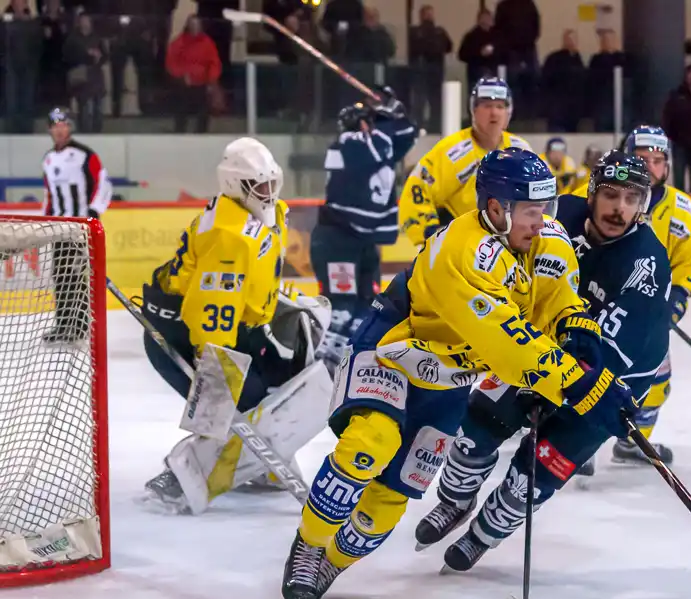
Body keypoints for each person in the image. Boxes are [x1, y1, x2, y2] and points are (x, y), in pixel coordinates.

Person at [278, 148, 639, 599]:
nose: (544, 220)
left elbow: (556, 298)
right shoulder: (464, 252)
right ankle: (310, 545)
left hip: (450, 375)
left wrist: (577, 330)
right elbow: (505, 343)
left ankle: (335, 560)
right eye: (531, 210)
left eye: (546, 208)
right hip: (396, 346)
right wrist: (579, 384)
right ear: (495, 209)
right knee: (370, 443)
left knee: (395, 491)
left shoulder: (546, 240)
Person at [413, 151, 670, 571]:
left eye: (631, 197)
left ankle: (484, 534)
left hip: (612, 376)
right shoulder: (556, 215)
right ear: (591, 192)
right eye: (609, 194)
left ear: (643, 204)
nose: (618, 208)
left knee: (535, 473)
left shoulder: (646, 262)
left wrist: (563, 377)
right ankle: (455, 501)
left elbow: (612, 351)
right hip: (543, 350)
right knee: (474, 430)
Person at [139, 138, 332, 514]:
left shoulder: (263, 215)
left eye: (272, 183)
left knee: (277, 384)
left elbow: (252, 283)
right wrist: (217, 373)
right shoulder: (229, 237)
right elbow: (212, 312)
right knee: (241, 400)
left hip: (236, 326)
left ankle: (255, 464)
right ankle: (180, 474)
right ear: (234, 186)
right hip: (182, 335)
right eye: (259, 186)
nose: (269, 193)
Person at [574, 125, 691, 466]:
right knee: (580, 368)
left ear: (668, 166)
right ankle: (571, 433)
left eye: (657, 160)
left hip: (644, 312)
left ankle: (633, 441)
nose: (649, 165)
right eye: (641, 158)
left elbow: (690, 262)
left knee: (656, 382)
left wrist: (675, 301)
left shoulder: (683, 211)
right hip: (590, 302)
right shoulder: (592, 193)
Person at [312, 94, 417, 373]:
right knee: (342, 305)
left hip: (362, 242)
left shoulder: (375, 146)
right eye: (369, 122)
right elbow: (384, 141)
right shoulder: (348, 144)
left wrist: (396, 113)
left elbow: (407, 135)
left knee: (366, 306)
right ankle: (320, 367)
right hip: (338, 239)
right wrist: (387, 119)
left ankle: (350, 361)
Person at [397, 77, 530, 246]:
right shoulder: (452, 151)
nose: (494, 113)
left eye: (500, 106)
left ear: (509, 113)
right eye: (487, 105)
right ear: (473, 110)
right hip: (463, 248)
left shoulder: (521, 150)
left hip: (510, 246)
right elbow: (416, 189)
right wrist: (430, 237)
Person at [40, 106, 112, 343]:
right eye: (56, 126)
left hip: (79, 227)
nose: (60, 130)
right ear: (50, 129)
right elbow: (48, 194)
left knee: (74, 274)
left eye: (64, 125)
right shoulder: (48, 159)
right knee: (59, 275)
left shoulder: (84, 154)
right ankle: (64, 324)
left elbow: (103, 184)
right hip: (59, 227)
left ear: (69, 127)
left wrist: (93, 214)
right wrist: (44, 221)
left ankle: (79, 325)